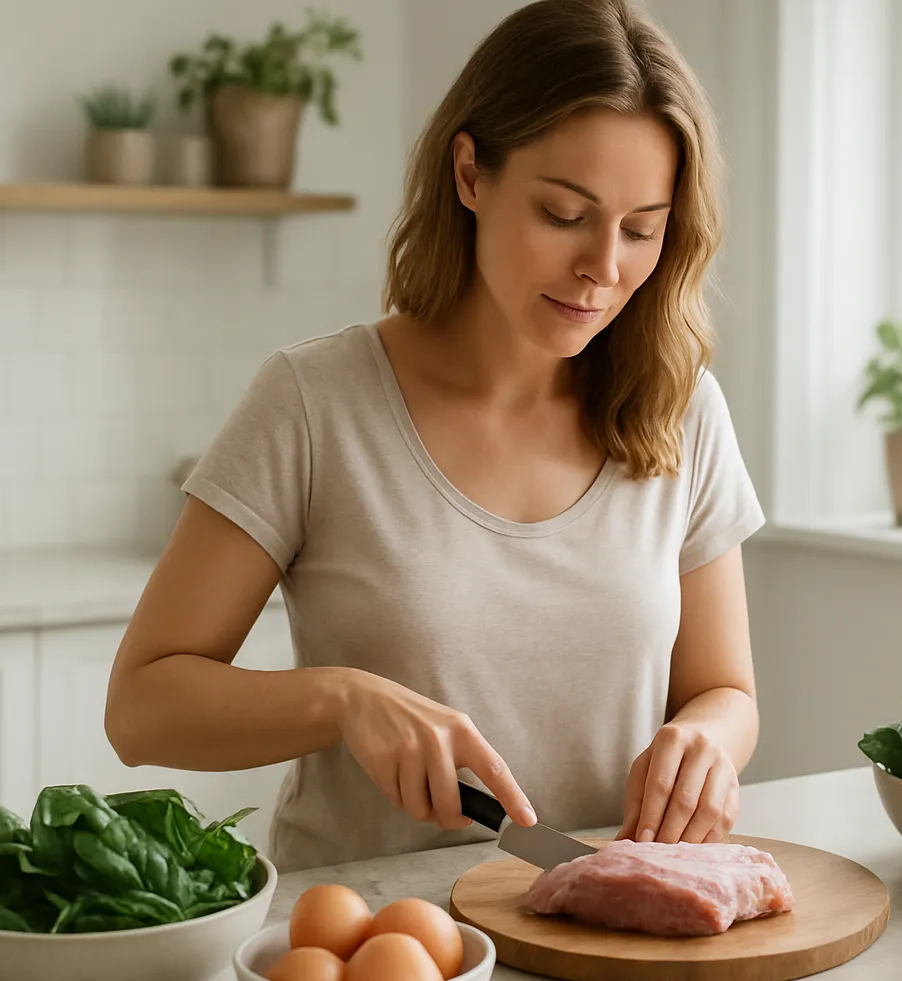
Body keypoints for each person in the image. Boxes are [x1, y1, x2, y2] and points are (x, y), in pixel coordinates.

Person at [104, 0, 765, 874]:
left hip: (612, 938)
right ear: (471, 174)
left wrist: (707, 742)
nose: (604, 268)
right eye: (565, 214)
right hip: (379, 952)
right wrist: (341, 702)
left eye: (643, 229)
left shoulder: (681, 410)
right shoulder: (315, 403)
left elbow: (725, 691)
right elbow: (141, 710)